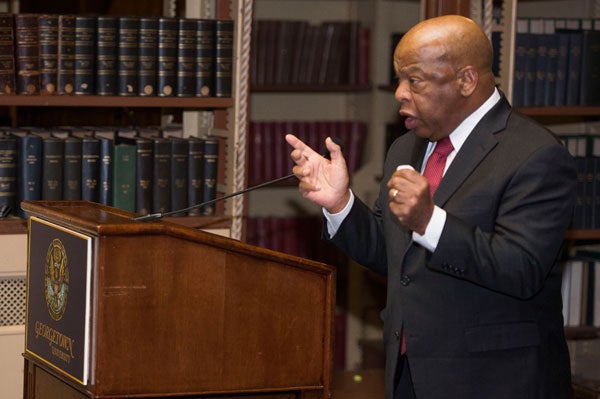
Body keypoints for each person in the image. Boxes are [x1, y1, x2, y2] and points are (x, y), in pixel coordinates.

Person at [285, 14, 576, 399]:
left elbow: (521, 268)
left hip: (494, 380)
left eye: (415, 80)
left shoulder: (535, 154)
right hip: (410, 374)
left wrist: (429, 222)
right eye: (400, 79)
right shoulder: (407, 146)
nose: (400, 93)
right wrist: (340, 203)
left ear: (466, 80)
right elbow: (390, 253)